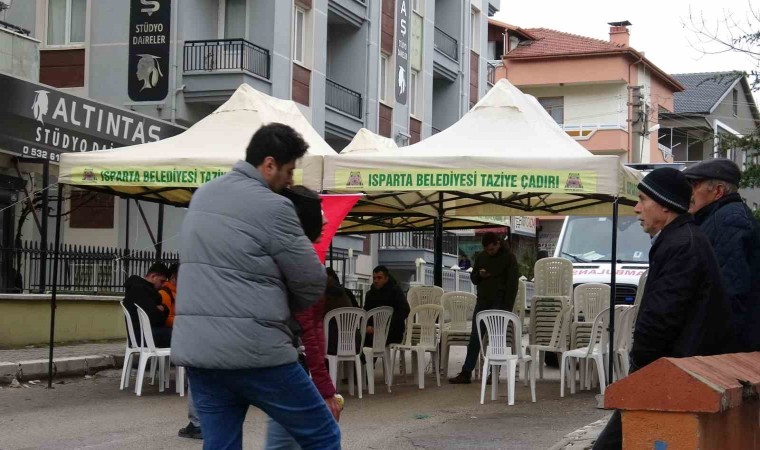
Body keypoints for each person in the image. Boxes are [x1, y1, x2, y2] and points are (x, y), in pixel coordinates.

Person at [171, 124, 339, 450]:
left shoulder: (203, 195)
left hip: (201, 355)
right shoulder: (275, 207)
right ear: (269, 164)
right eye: (289, 171)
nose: (290, 181)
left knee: (220, 445)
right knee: (322, 434)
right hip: (256, 352)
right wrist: (284, 305)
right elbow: (311, 281)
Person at [593, 167, 736, 450]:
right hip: (672, 371)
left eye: (643, 199)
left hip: (671, 373)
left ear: (665, 205)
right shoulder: (682, 240)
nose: (637, 208)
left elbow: (662, 318)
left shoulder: (682, 244)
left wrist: (640, 365)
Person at [265, 185, 343, 450]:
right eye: (319, 212)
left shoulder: (270, 253)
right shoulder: (301, 263)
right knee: (323, 436)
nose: (327, 218)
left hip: (233, 355)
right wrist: (325, 388)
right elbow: (309, 329)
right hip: (285, 360)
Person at [684, 158, 760, 352]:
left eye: (694, 186)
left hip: (728, 348)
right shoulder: (719, 218)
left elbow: (729, 292)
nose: (688, 194)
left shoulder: (729, 221)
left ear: (718, 191)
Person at [449, 232, 520, 384]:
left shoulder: (509, 258)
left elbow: (513, 285)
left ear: (498, 244)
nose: (490, 252)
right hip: (483, 301)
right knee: (475, 336)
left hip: (500, 303)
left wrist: (507, 308)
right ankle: (466, 371)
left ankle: (494, 373)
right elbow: (474, 278)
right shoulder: (482, 257)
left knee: (496, 338)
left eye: (492, 249)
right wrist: (480, 275)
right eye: (487, 250)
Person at [122, 262, 170, 347]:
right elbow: (154, 318)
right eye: (161, 281)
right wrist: (163, 309)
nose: (162, 285)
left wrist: (163, 308)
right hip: (143, 336)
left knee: (175, 333)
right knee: (179, 335)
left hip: (139, 334)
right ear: (153, 277)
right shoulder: (142, 290)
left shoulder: (137, 287)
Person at [363, 266, 410, 348]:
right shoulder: (370, 294)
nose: (376, 281)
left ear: (386, 278)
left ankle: (367, 360)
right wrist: (368, 326)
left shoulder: (395, 292)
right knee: (359, 339)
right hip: (373, 331)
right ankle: (362, 360)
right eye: (374, 278)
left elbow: (404, 310)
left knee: (369, 341)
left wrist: (384, 325)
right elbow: (366, 312)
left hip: (392, 331)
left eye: (379, 278)